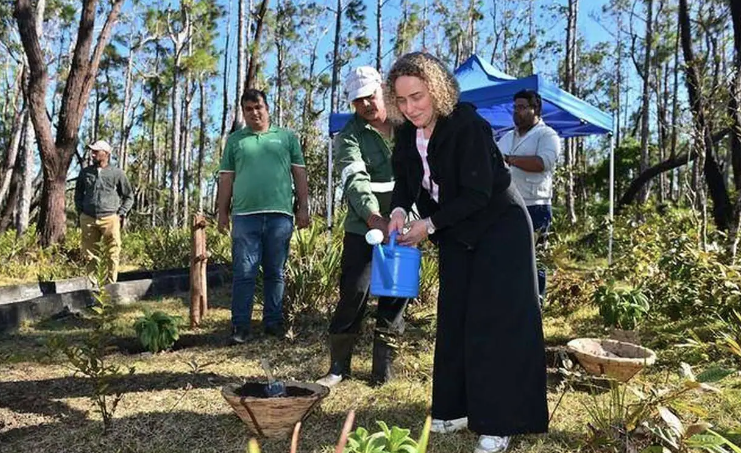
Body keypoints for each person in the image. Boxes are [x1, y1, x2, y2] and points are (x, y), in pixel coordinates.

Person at [385, 52, 548, 453]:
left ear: (438, 91)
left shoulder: (468, 126)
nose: (410, 108)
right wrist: (400, 210)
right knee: (455, 316)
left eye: (418, 97)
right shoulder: (408, 132)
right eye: (402, 101)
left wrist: (429, 225)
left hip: (499, 228)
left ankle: (499, 422)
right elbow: (406, 180)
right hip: (456, 230)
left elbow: (477, 193)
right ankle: (455, 409)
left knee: (496, 323)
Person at [316, 67, 408, 388]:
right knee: (354, 292)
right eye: (359, 100)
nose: (367, 104)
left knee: (394, 296)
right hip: (362, 227)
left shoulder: (406, 124)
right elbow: (354, 180)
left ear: (382, 89)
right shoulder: (349, 135)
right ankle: (339, 367)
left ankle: (383, 370)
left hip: (404, 225)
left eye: (371, 95)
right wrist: (373, 217)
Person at [217, 89, 310, 344]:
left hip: (280, 216)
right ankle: (240, 327)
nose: (254, 112)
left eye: (258, 107)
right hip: (245, 216)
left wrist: (303, 208)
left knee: (275, 272)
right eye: (248, 109)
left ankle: (273, 323)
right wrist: (222, 212)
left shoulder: (286, 137)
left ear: (267, 108)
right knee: (244, 272)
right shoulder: (236, 141)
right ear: (243, 113)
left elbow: (299, 173)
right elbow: (226, 178)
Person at [497, 90, 560, 303]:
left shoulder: (547, 135)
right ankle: (513, 302)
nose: (517, 112)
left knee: (535, 259)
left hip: (536, 206)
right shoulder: (506, 137)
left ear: (536, 109)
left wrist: (509, 159)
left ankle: (536, 303)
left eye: (523, 107)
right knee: (509, 257)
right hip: (507, 205)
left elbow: (542, 163)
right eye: (515, 108)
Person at [74, 139, 134, 284]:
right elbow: (78, 195)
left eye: (96, 151)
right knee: (89, 254)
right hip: (88, 218)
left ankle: (110, 286)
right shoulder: (85, 173)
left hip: (110, 218)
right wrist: (81, 211)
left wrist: (120, 214)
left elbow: (128, 196)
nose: (92, 154)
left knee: (112, 253)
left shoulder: (117, 173)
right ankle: (93, 287)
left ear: (106, 154)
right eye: (92, 151)